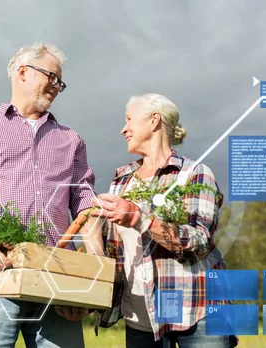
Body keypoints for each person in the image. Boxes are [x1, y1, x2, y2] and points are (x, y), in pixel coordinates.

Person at [0, 42, 101, 348]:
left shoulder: (71, 140)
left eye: (60, 82)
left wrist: (93, 273)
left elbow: (85, 206)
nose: (56, 86)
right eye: (51, 77)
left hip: (56, 283)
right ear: (22, 72)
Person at [89, 93, 238, 347]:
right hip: (141, 318)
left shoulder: (194, 174)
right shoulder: (121, 180)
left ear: (154, 120)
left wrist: (138, 217)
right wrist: (94, 232)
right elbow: (113, 251)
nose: (123, 129)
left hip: (196, 313)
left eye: (129, 120)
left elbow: (198, 239)